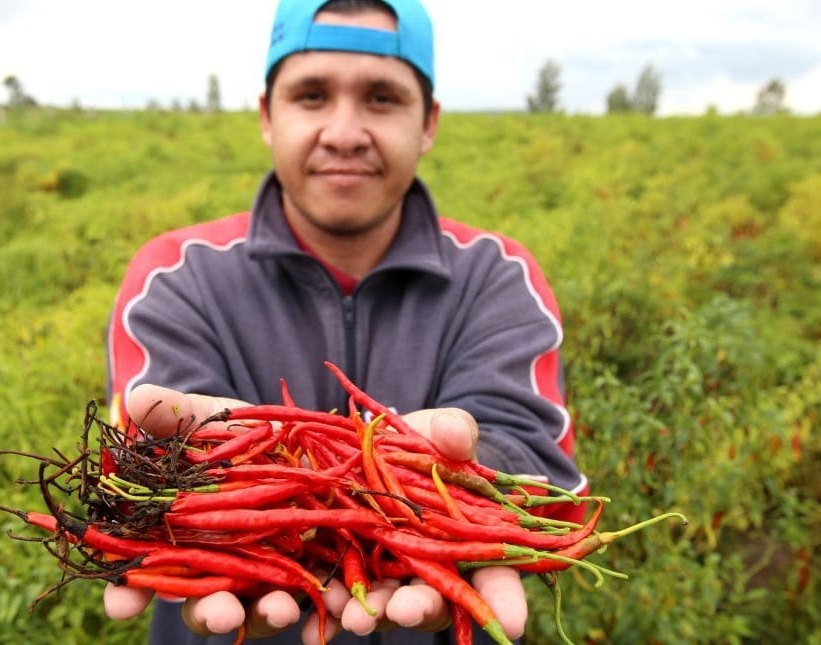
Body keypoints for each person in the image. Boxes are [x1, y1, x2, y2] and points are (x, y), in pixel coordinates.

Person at [103, 0, 587, 642]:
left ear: (429, 122)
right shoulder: (174, 277)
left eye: (382, 98)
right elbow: (147, 472)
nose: (345, 132)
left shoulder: (497, 277)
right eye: (311, 95)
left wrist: (454, 468)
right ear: (267, 116)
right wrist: (211, 470)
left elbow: (537, 465)